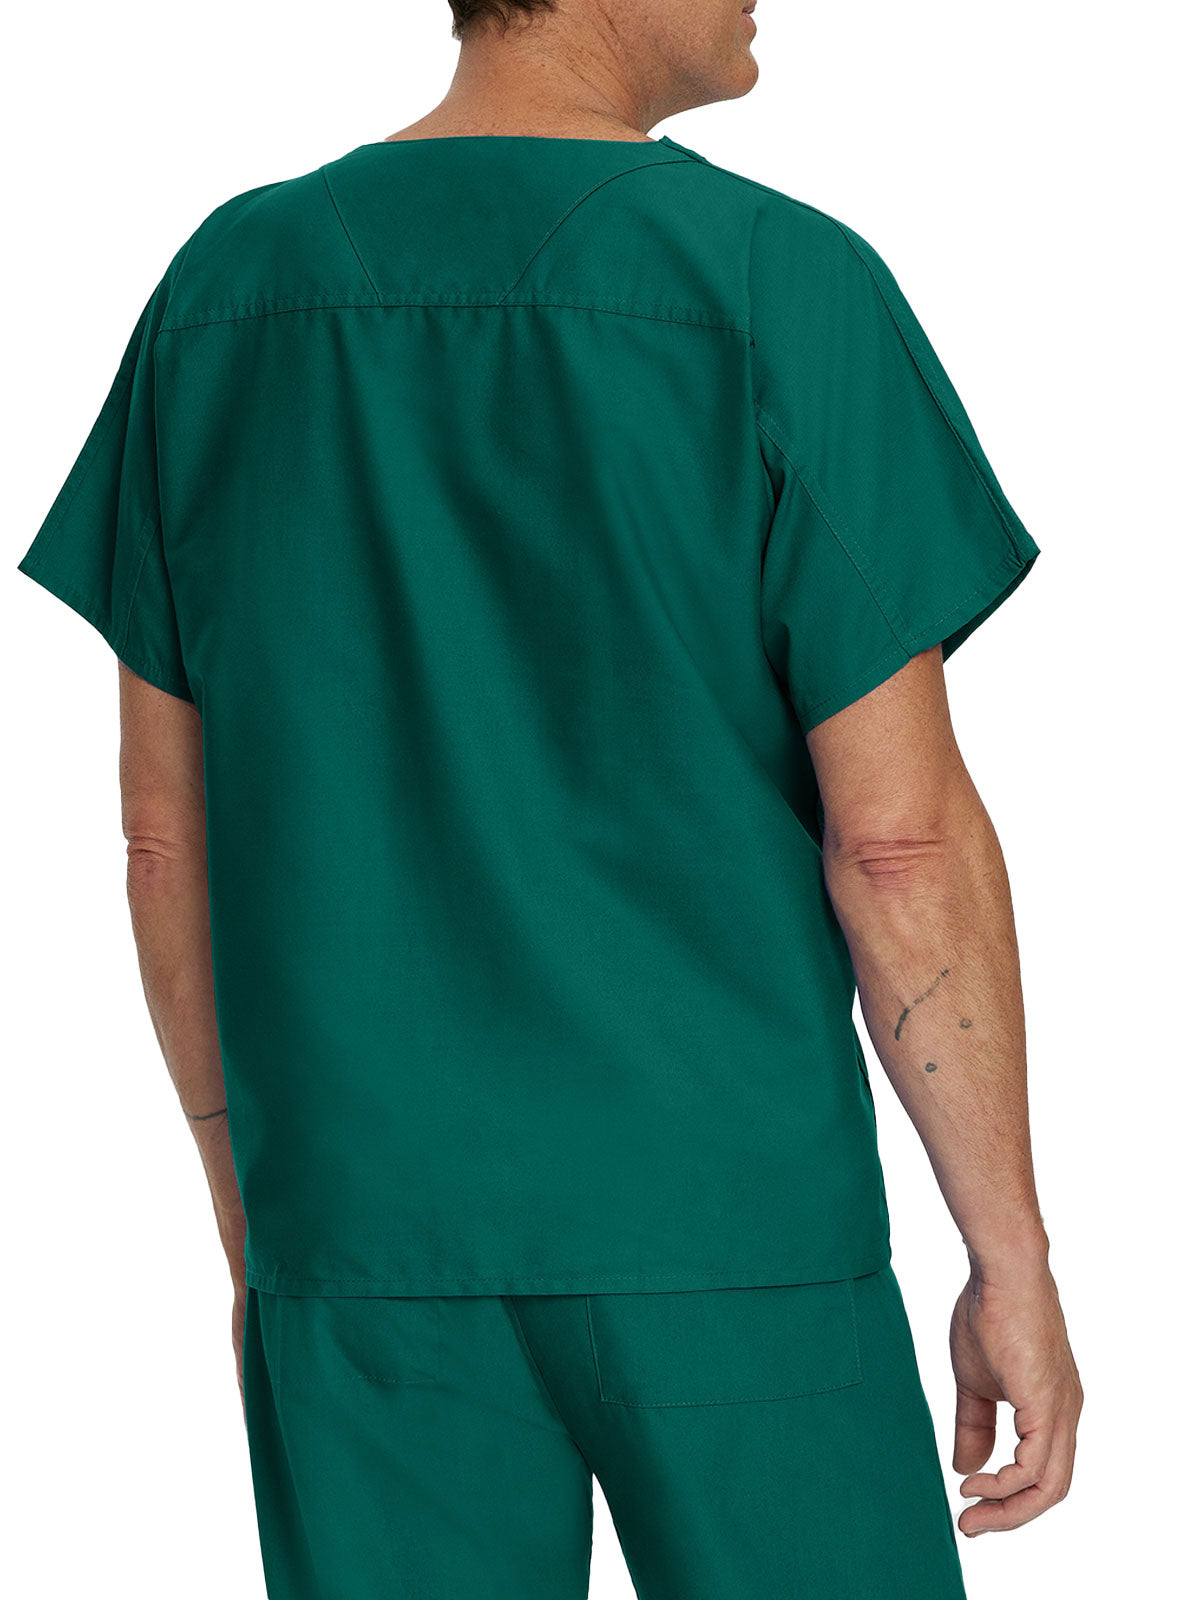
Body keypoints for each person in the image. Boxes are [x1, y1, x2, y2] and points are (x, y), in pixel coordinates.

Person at [17, 0, 1082, 1594]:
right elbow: (899, 841)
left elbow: (169, 842)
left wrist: (268, 1227)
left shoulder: (223, 294)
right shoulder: (776, 283)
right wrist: (1012, 1256)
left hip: (365, 1224)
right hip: (728, 1217)